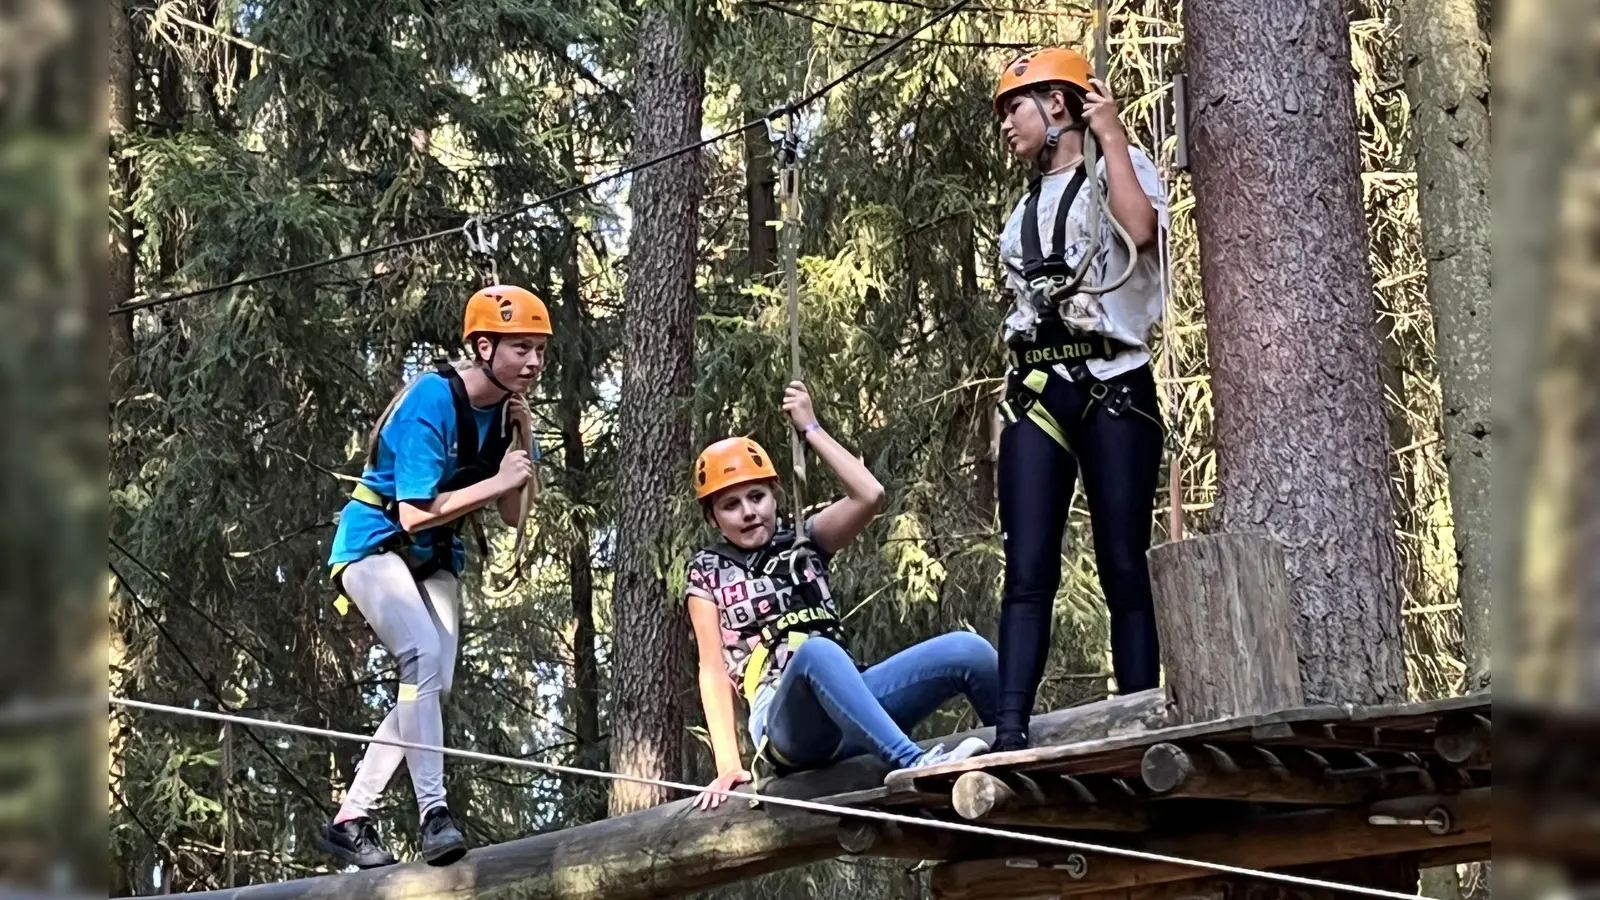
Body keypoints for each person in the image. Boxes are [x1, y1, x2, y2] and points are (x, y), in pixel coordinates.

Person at [317, 285, 551, 867]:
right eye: (521, 348)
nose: (533, 362)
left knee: (432, 683)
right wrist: (498, 481)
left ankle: (352, 815)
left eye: (541, 351)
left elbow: (513, 514)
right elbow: (412, 510)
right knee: (419, 656)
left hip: (436, 556)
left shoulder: (510, 416)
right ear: (482, 346)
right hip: (374, 542)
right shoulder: (431, 399)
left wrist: (520, 451)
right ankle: (433, 812)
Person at [686, 381, 1000, 809]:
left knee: (970, 651)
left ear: (775, 497)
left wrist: (811, 426)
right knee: (815, 653)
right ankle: (914, 764)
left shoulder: (805, 541)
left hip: (852, 702)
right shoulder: (707, 571)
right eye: (730, 504)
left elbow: (870, 494)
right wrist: (728, 763)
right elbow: (712, 668)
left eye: (757, 496)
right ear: (713, 517)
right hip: (787, 725)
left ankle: (1021, 749)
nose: (748, 512)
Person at [989, 47, 1170, 752]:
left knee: (1122, 558)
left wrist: (1114, 136)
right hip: (1040, 388)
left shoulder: (1117, 171)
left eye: (1015, 108)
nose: (1006, 125)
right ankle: (1010, 730)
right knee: (1028, 564)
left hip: (1114, 382)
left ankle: (1138, 711)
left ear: (1056, 105)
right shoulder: (1021, 213)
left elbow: (1141, 229)